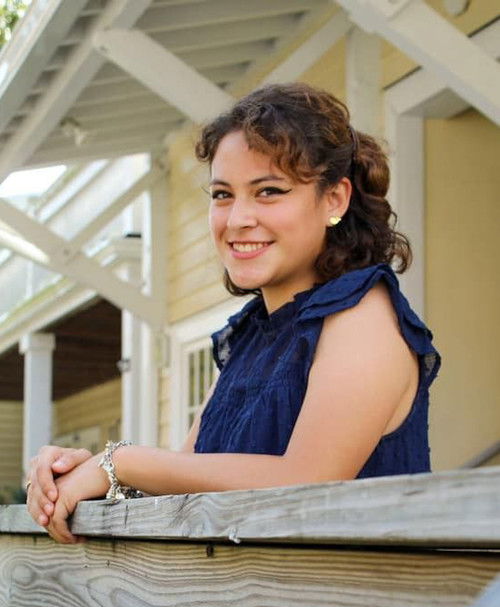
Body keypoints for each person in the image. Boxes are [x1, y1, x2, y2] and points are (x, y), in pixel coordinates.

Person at [26, 83, 440, 544]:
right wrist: (82, 472)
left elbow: (307, 482)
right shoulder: (251, 335)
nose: (238, 218)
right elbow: (187, 476)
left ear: (334, 200)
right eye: (223, 194)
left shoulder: (361, 315)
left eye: (269, 191)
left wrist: (119, 462)